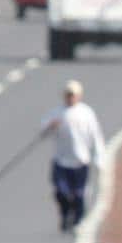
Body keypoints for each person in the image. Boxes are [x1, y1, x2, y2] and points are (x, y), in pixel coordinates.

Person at [41, 79, 106, 233]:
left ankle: (77, 220)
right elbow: (43, 129)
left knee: (79, 194)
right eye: (68, 95)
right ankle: (65, 215)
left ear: (79, 96)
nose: (70, 98)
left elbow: (96, 136)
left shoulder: (86, 113)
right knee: (61, 192)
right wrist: (51, 126)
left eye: (73, 95)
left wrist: (99, 157)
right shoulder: (57, 113)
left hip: (80, 161)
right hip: (61, 161)